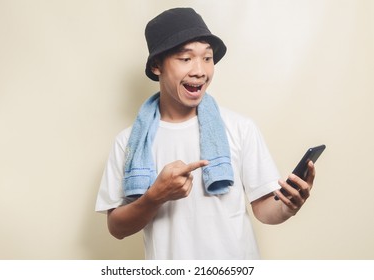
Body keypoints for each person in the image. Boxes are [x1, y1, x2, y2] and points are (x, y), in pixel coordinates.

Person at [95, 7, 316, 260]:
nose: (200, 71)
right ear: (157, 65)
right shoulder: (128, 143)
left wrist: (289, 205)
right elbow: (117, 228)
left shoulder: (239, 129)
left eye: (207, 58)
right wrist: (154, 197)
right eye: (186, 58)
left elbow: (264, 210)